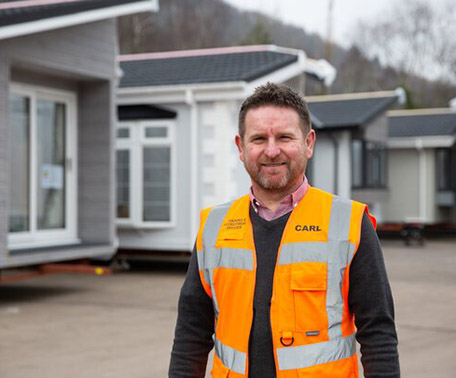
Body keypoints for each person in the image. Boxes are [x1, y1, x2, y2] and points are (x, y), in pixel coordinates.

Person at [169, 83, 400, 378]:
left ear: (308, 143)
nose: (271, 150)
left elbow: (378, 333)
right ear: (241, 148)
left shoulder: (351, 223)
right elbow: (191, 332)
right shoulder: (213, 227)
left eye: (284, 137)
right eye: (258, 139)